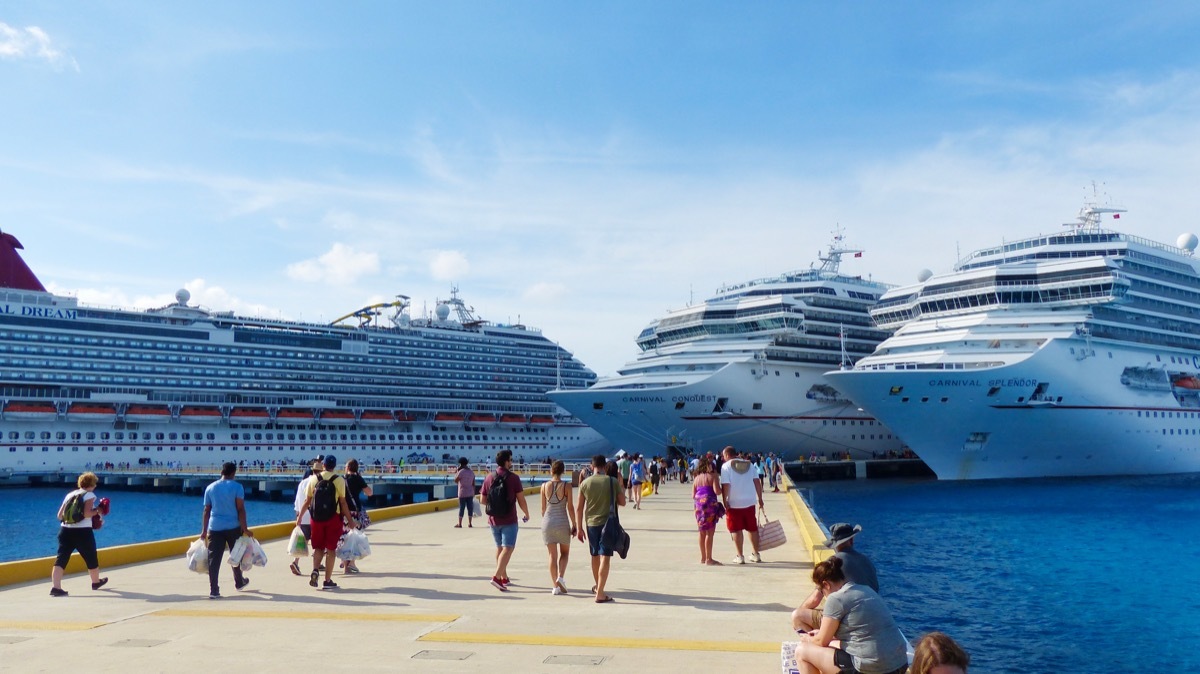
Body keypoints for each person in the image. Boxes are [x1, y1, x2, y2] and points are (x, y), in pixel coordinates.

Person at [794, 557, 908, 674]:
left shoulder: (836, 598)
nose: (824, 596)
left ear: (826, 585)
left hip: (871, 669)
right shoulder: (865, 589)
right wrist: (820, 633)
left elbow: (821, 642)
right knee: (832, 645)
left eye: (822, 592)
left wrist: (808, 639)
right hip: (900, 665)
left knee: (802, 651)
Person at [793, 522, 880, 632]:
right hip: (874, 617)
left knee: (797, 616)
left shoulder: (833, 563)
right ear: (852, 540)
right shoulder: (867, 561)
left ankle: (815, 643)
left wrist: (801, 610)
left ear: (835, 543)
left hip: (852, 622)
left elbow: (815, 600)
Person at [296, 454, 357, 591]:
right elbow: (343, 503)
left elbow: (307, 501)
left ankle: (315, 570)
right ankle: (327, 581)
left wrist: (299, 517)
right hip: (333, 518)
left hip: (316, 519)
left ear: (323, 465)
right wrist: (350, 520)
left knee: (318, 548)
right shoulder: (339, 480)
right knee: (331, 550)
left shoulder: (313, 479)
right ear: (334, 466)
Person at [575, 453, 626, 603]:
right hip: (608, 524)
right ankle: (600, 593)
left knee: (595, 555)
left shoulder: (585, 483)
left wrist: (579, 528)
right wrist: (621, 485)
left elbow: (579, 508)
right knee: (606, 556)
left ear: (592, 466)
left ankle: (598, 586)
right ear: (604, 466)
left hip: (590, 524)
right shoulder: (612, 481)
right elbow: (622, 502)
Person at [50, 472, 108, 597]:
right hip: (82, 532)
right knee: (91, 557)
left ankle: (56, 587)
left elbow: (59, 516)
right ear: (92, 484)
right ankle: (95, 582)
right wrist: (98, 510)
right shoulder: (89, 495)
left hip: (65, 530)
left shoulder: (70, 494)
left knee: (61, 558)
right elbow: (87, 514)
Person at [200, 462, 253, 598]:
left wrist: (204, 531)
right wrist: (245, 528)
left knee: (214, 559)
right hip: (233, 527)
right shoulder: (237, 487)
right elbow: (240, 509)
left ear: (222, 472)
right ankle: (239, 581)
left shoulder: (210, 488)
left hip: (215, 527)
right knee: (235, 555)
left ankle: (214, 590)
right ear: (233, 473)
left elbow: (206, 510)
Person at [480, 449, 530, 591]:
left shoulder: (489, 477)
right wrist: (526, 513)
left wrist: (495, 506)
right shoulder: (513, 478)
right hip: (509, 519)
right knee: (508, 548)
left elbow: (483, 500)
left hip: (493, 520)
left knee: (500, 548)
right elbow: (521, 499)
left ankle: (504, 578)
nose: (512, 462)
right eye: (511, 460)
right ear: (506, 462)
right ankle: (496, 577)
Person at [719, 446, 764, 564]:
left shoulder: (725, 466)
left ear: (728, 455)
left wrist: (725, 500)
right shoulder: (749, 464)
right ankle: (756, 554)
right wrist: (760, 498)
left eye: (724, 456)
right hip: (749, 502)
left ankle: (740, 556)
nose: (723, 459)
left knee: (736, 529)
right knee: (752, 528)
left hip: (734, 503)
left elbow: (726, 485)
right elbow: (757, 482)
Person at [540, 459, 577, 595]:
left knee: (552, 555)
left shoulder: (543, 486)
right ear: (563, 471)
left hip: (548, 522)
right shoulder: (566, 486)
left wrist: (547, 521)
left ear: (551, 471)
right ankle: (561, 576)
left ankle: (555, 587)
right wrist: (575, 525)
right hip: (562, 522)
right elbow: (570, 507)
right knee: (565, 553)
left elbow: (543, 509)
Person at [290, 457, 322, 576]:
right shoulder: (320, 482)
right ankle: (317, 565)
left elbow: (298, 500)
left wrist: (298, 516)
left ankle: (295, 561)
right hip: (317, 517)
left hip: (303, 516)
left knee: (302, 542)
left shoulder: (303, 482)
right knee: (319, 543)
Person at [691, 455, 723, 565]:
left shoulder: (696, 478)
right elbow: (717, 491)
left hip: (698, 506)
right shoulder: (712, 476)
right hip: (710, 505)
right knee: (710, 532)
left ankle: (703, 558)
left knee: (701, 532)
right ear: (707, 465)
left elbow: (693, 495)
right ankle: (709, 559)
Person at [342, 459, 372, 574]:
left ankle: (345, 565)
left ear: (348, 467)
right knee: (354, 537)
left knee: (344, 537)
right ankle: (352, 563)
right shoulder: (358, 479)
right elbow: (369, 492)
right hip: (355, 511)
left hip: (344, 512)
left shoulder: (342, 479)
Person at [453, 457, 476, 528]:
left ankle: (460, 524)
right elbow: (473, 483)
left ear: (460, 464)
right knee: (470, 508)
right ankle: (470, 523)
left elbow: (455, 480)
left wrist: (457, 472)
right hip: (470, 492)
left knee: (461, 508)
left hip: (462, 493)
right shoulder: (471, 472)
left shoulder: (461, 472)